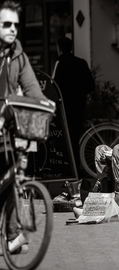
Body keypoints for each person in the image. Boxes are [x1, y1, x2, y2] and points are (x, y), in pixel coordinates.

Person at [0, 0, 52, 255]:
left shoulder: (17, 54)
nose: (12, 29)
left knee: (13, 178)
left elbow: (30, 87)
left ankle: (12, 235)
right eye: (6, 24)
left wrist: (43, 106)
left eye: (16, 25)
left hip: (7, 125)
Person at [53, 36, 95, 171]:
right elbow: (90, 85)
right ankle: (77, 171)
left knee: (65, 139)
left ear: (59, 49)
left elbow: (54, 87)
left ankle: (68, 170)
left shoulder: (60, 63)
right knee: (76, 138)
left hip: (64, 108)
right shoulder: (81, 63)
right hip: (79, 106)